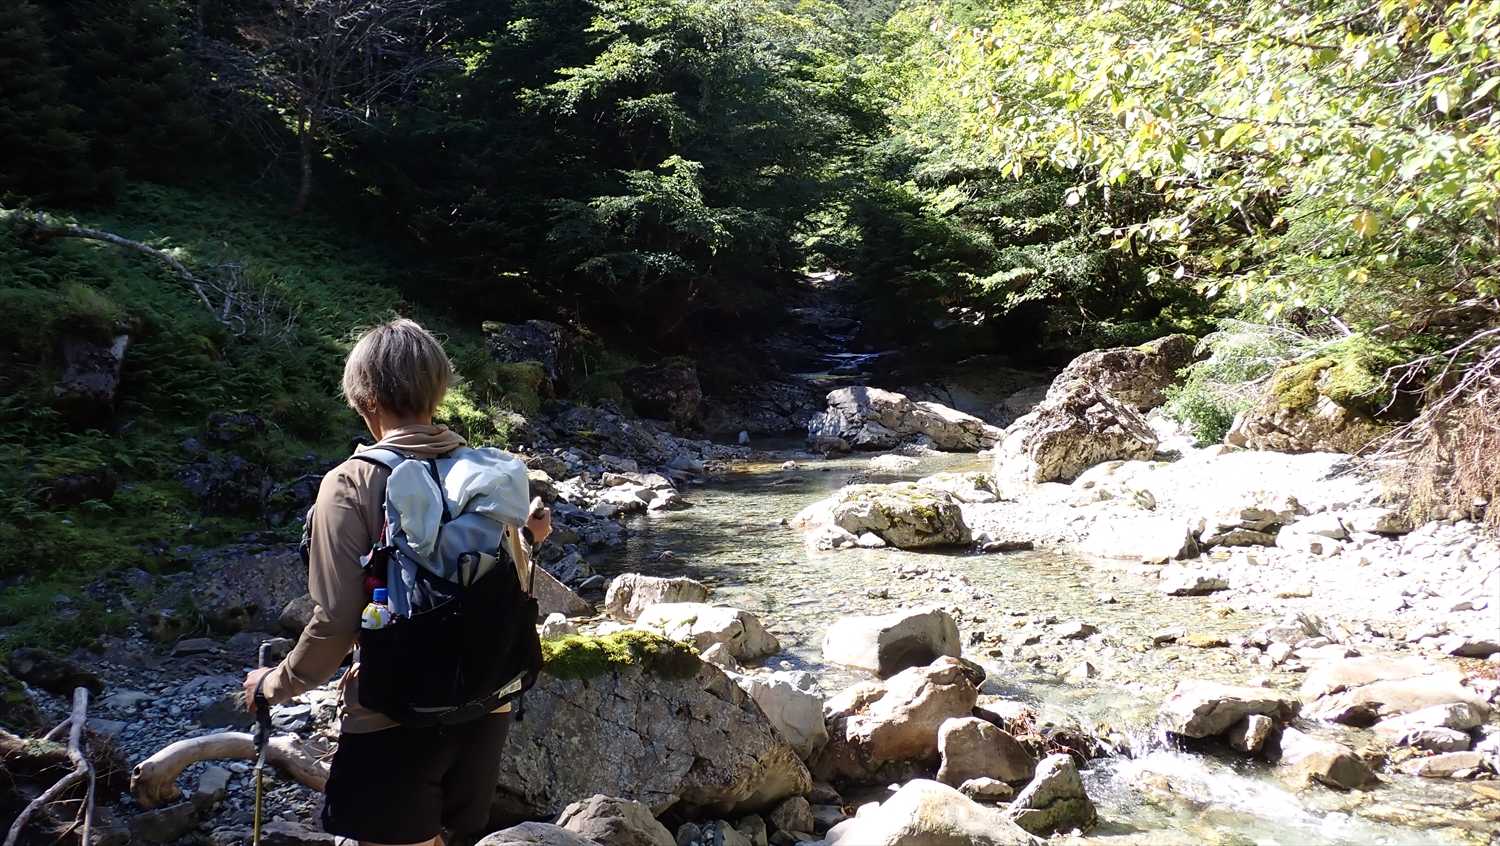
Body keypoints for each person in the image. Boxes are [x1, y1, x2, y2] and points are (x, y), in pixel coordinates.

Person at [243, 318, 551, 846]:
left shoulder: (350, 483)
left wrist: (274, 685)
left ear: (363, 399)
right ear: (439, 390)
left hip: (394, 718)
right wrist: (530, 538)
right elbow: (512, 583)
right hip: (485, 708)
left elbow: (336, 622)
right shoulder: (487, 474)